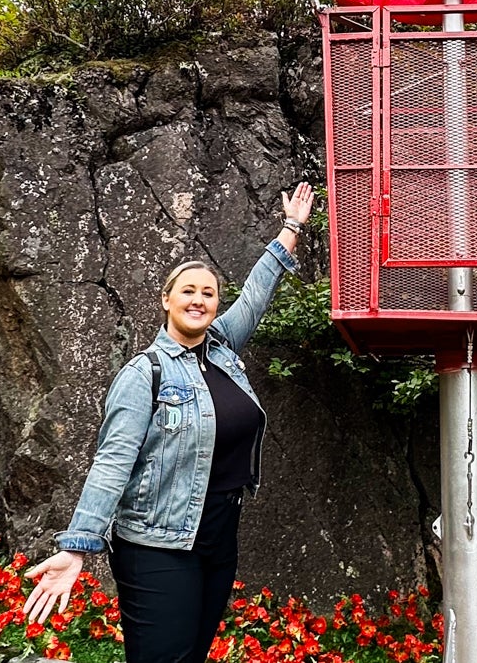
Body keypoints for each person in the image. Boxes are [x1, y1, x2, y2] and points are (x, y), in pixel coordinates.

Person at [22, 181, 316, 663]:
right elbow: (113, 461)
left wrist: (291, 228)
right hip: (157, 543)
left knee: (192, 653)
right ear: (166, 300)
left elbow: (258, 293)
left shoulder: (222, 349)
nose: (198, 300)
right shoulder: (145, 373)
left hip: (218, 534)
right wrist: (78, 546)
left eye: (209, 293)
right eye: (188, 291)